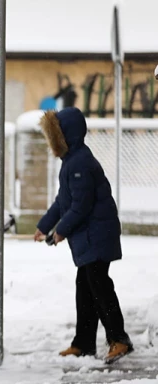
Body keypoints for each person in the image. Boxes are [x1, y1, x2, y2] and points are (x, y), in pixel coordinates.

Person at [34, 107, 133, 364]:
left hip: (98, 235)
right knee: (86, 288)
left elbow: (81, 205)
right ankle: (84, 343)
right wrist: (45, 225)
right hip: (92, 235)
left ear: (66, 135)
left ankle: (119, 339)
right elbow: (63, 201)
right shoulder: (72, 161)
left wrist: (61, 231)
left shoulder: (80, 162)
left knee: (99, 287)